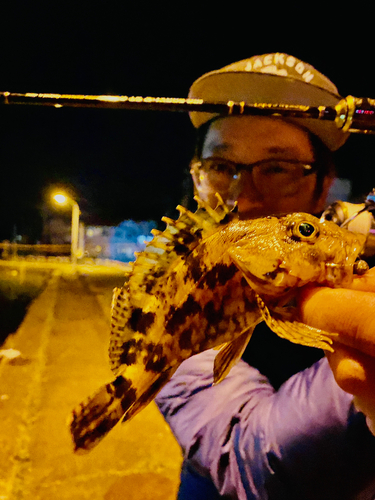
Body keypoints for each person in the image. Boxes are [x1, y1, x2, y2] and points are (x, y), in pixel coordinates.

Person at [154, 53, 375, 499]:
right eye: (221, 167)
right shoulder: (171, 294)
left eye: (277, 168)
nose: (244, 197)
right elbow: (244, 456)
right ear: (197, 178)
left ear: (325, 183)